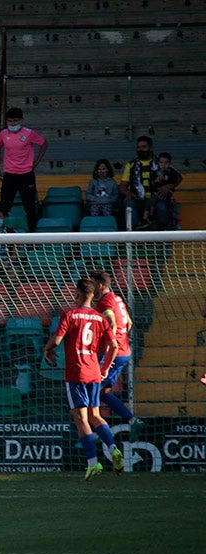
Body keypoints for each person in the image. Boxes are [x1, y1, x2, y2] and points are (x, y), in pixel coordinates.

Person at [42, 278, 122, 482]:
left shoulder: (70, 314)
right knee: (95, 415)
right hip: (95, 372)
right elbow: (113, 346)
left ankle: (93, 462)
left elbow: (58, 340)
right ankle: (114, 449)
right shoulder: (99, 318)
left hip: (77, 373)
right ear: (94, 296)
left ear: (77, 295)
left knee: (81, 418)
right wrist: (104, 369)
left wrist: (47, 349)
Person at [91, 270, 145, 441]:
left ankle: (97, 431)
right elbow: (129, 323)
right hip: (124, 352)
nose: (91, 290)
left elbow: (111, 322)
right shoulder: (117, 298)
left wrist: (110, 344)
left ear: (100, 285)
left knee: (91, 388)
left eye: (93, 285)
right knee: (102, 392)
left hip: (113, 353)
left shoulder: (105, 302)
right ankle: (133, 420)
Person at [0, 107, 48, 233]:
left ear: (21, 120)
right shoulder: (3, 134)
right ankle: (0, 233)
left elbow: (44, 143)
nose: (13, 124)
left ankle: (32, 236)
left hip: (26, 174)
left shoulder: (29, 133)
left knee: (29, 207)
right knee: (5, 206)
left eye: (16, 121)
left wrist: (37, 161)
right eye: (10, 121)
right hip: (10, 174)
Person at [146, 151, 182, 230]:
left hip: (167, 193)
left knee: (158, 202)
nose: (163, 165)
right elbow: (151, 183)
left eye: (166, 163)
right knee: (153, 199)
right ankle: (150, 215)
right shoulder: (156, 172)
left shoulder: (172, 172)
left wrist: (169, 186)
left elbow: (177, 179)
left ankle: (148, 214)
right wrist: (156, 181)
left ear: (169, 163)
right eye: (161, 162)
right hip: (156, 192)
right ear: (158, 163)